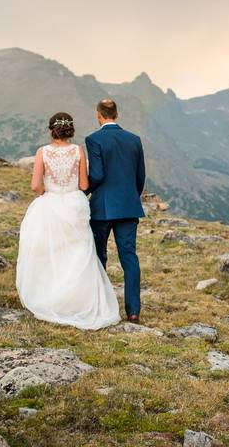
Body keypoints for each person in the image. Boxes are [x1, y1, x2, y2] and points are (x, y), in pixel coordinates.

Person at [15, 111, 121, 330]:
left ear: (51, 129)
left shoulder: (42, 152)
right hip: (74, 204)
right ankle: (77, 301)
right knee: (78, 253)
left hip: (51, 203)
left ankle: (51, 297)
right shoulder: (78, 151)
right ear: (70, 130)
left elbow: (35, 185)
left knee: (49, 251)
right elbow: (84, 185)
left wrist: (49, 190)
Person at [85, 99, 146, 323]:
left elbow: (98, 174)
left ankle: (100, 305)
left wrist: (83, 192)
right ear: (116, 114)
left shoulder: (94, 139)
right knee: (129, 257)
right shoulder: (134, 140)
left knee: (99, 256)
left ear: (99, 115)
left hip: (102, 207)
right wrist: (131, 197)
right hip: (129, 207)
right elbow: (140, 177)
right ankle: (133, 311)